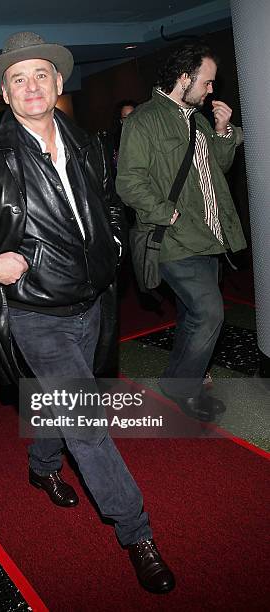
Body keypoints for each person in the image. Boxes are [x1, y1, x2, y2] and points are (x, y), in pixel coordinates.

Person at [0, 31, 175, 594]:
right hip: (35, 313)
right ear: (4, 94)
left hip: (93, 304)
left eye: (41, 75)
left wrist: (110, 246)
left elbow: (106, 205)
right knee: (86, 421)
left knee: (63, 403)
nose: (31, 86)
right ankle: (137, 534)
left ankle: (40, 466)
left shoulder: (84, 141)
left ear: (58, 83)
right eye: (18, 79)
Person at [116, 43, 246, 421]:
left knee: (193, 315)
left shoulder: (198, 119)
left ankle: (175, 380)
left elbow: (218, 167)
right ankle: (186, 390)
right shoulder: (144, 119)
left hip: (208, 236)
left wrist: (222, 131)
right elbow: (129, 182)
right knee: (210, 313)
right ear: (184, 78)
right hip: (174, 239)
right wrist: (166, 214)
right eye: (207, 83)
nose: (211, 92)